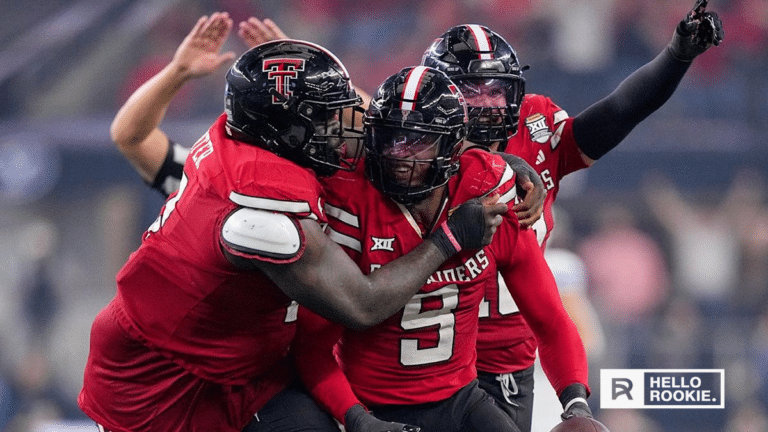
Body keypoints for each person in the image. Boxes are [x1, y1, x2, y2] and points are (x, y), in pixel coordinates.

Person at [81, 33, 506, 432]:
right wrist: (448, 239)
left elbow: (387, 129)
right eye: (328, 119)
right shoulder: (262, 218)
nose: (347, 128)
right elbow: (362, 305)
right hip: (158, 381)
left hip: (245, 368)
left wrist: (485, 158)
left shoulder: (242, 154)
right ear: (285, 130)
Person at [420, 1, 724, 431]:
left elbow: (618, 111)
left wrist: (675, 57)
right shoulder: (414, 144)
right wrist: (505, 166)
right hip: (425, 348)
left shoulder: (535, 124)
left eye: (496, 89)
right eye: (471, 90)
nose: (487, 102)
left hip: (509, 353)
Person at [291, 65, 590, 432]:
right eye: (389, 138)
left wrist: (576, 405)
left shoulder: (487, 192)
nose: (399, 154)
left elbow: (551, 320)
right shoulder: (352, 205)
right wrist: (357, 419)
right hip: (373, 404)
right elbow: (310, 348)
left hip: (463, 400)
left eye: (417, 141)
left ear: (453, 146)